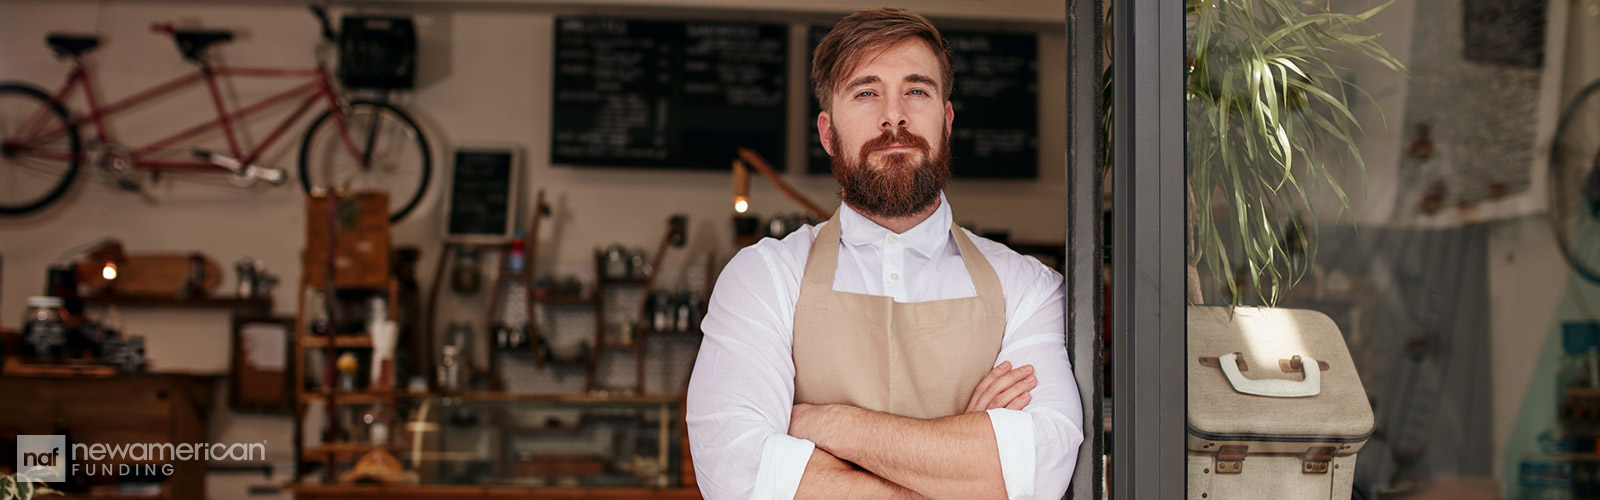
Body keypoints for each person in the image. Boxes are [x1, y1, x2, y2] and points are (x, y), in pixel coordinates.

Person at [686, 7, 1083, 500]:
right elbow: (739, 477)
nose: (893, 115)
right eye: (867, 92)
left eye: (916, 91)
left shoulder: (1029, 287)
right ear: (828, 133)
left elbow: (1040, 471)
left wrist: (828, 424)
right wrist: (961, 463)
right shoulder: (763, 277)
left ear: (947, 119)